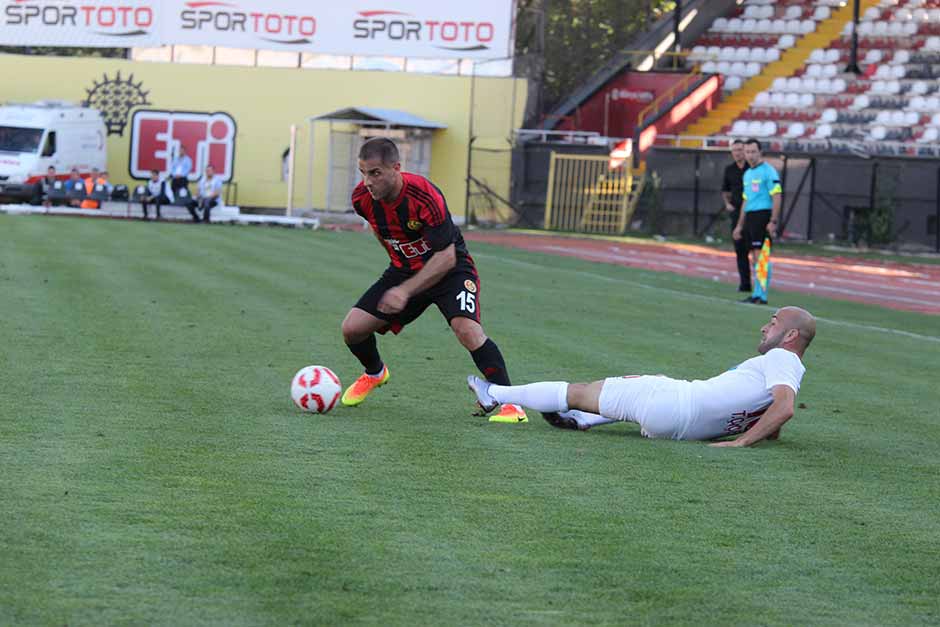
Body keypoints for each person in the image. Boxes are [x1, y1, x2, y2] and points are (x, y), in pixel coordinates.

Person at [341, 137, 527, 423]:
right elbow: (381, 232)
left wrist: (404, 291)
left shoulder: (424, 196)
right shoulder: (361, 199)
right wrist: (398, 267)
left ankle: (511, 405)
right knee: (352, 329)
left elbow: (446, 257)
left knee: (467, 330)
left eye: (375, 173)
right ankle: (375, 373)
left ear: (396, 168)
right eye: (363, 172)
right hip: (405, 272)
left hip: (450, 271)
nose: (367, 181)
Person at [468, 307, 816, 446]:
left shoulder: (782, 358)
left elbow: (783, 407)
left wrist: (742, 442)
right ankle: (587, 420)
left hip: (674, 405)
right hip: (681, 428)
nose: (763, 326)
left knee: (577, 390)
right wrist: (767, 435)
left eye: (772, 323)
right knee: (640, 381)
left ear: (789, 337)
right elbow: (775, 402)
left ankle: (495, 394)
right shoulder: (788, 367)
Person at [732, 138, 782, 305]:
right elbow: (746, 201)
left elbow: (777, 196)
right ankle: (757, 293)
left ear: (760, 152)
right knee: (754, 257)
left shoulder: (769, 171)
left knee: (762, 256)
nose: (750, 155)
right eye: (747, 152)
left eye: (753, 151)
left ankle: (762, 295)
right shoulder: (747, 174)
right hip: (750, 217)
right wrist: (739, 225)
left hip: (763, 215)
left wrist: (773, 220)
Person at [721, 139, 751, 294]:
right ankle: (745, 284)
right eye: (734, 150)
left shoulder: (752, 169)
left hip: (752, 213)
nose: (737, 153)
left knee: (756, 249)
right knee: (740, 249)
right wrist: (727, 204)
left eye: (740, 150)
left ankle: (761, 287)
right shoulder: (729, 170)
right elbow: (725, 190)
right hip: (736, 212)